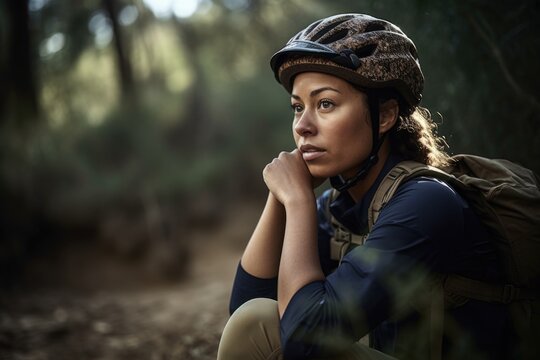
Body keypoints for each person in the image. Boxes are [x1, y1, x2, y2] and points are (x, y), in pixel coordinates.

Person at [217, 13, 509, 360]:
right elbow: (247, 307)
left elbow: (303, 338)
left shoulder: (427, 202)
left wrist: (297, 201)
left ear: (385, 116)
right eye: (298, 107)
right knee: (254, 319)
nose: (303, 127)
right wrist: (279, 198)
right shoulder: (340, 208)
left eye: (325, 104)